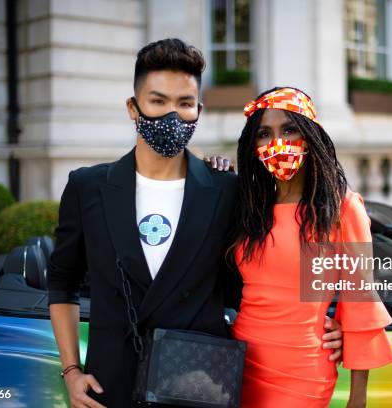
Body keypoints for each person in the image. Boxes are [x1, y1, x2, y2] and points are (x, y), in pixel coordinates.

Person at [47, 39, 344, 408]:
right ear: (132, 107)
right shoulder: (87, 186)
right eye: (158, 101)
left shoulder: (230, 191)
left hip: (198, 385)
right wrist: (71, 370)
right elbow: (62, 283)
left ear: (198, 110)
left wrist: (332, 319)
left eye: (184, 104)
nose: (172, 115)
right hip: (110, 387)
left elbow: (275, 260)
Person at [222, 87, 392, 408]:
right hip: (236, 362)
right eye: (265, 133)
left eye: (289, 129)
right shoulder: (249, 205)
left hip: (301, 370)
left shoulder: (342, 208)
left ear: (310, 136)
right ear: (253, 145)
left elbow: (360, 300)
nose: (278, 141)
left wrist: (357, 399)